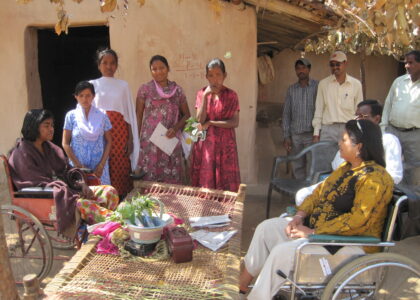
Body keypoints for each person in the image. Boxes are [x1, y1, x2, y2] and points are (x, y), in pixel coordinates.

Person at [239, 119, 394, 299]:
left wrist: (313, 232)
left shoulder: (376, 179)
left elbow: (358, 221)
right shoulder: (346, 169)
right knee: (266, 229)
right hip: (321, 235)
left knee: (283, 252)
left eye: (343, 139)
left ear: (358, 146)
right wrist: (299, 216)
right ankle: (241, 288)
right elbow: (317, 193)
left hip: (350, 243)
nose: (339, 143)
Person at [8, 109, 119, 239]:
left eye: (52, 125)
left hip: (69, 191)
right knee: (85, 205)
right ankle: (115, 227)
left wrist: (81, 184)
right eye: (46, 125)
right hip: (50, 197)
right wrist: (67, 189)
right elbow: (34, 182)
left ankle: (99, 231)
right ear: (34, 126)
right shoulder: (22, 153)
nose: (51, 129)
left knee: (109, 191)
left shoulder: (49, 148)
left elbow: (67, 170)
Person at [296, 99, 403, 206]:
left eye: (362, 116)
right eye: (356, 115)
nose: (357, 119)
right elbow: (336, 164)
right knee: (302, 195)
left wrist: (363, 181)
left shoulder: (388, 140)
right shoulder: (352, 137)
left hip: (367, 190)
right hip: (342, 181)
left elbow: (394, 176)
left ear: (376, 119)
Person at [90, 48, 139, 198]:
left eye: (112, 63)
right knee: (101, 164)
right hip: (99, 132)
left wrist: (130, 139)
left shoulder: (123, 86)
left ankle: (121, 201)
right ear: (99, 65)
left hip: (119, 131)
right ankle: (103, 200)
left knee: (120, 165)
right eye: (105, 63)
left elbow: (129, 114)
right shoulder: (92, 85)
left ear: (116, 65)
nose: (109, 66)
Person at [136, 55, 191, 184]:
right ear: (150, 71)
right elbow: (138, 115)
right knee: (150, 178)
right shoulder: (145, 90)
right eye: (154, 69)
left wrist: (175, 128)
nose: (158, 71)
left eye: (161, 68)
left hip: (170, 139)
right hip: (150, 143)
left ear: (168, 68)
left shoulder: (177, 91)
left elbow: (187, 115)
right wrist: (136, 140)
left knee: (171, 178)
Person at [190, 58, 241, 192]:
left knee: (225, 180)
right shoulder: (201, 94)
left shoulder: (231, 95)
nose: (215, 79)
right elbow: (199, 121)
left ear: (225, 75)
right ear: (206, 77)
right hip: (206, 145)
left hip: (226, 145)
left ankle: (226, 210)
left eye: (218, 75)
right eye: (211, 75)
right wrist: (206, 96)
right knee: (206, 179)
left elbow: (235, 122)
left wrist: (212, 122)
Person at [381, 50, 420, 190]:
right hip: (393, 131)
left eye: (411, 63)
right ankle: (394, 205)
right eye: (405, 63)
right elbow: (388, 105)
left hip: (415, 135)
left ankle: (413, 208)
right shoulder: (398, 82)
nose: (407, 66)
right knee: (390, 168)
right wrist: (383, 128)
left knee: (414, 172)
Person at [62, 81, 112, 185]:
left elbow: (109, 141)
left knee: (103, 197)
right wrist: (78, 166)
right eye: (81, 96)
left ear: (93, 96)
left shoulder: (102, 116)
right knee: (80, 198)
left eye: (88, 95)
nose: (85, 99)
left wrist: (101, 165)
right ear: (76, 97)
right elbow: (65, 143)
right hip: (78, 169)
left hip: (99, 170)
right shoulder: (71, 116)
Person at [312, 51, 363, 143]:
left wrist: (358, 131)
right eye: (332, 65)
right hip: (328, 130)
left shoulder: (356, 84)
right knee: (327, 157)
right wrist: (316, 133)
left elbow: (359, 112)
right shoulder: (323, 84)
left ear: (345, 63)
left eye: (338, 64)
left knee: (347, 157)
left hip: (348, 129)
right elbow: (319, 109)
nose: (335, 67)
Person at [282, 58, 318, 180]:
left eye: (303, 68)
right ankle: (298, 194)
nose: (301, 71)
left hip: (311, 135)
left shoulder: (317, 87)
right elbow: (286, 113)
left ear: (309, 69)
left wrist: (318, 133)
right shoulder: (291, 90)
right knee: (297, 166)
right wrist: (286, 136)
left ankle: (309, 195)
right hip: (296, 135)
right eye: (298, 68)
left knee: (312, 166)